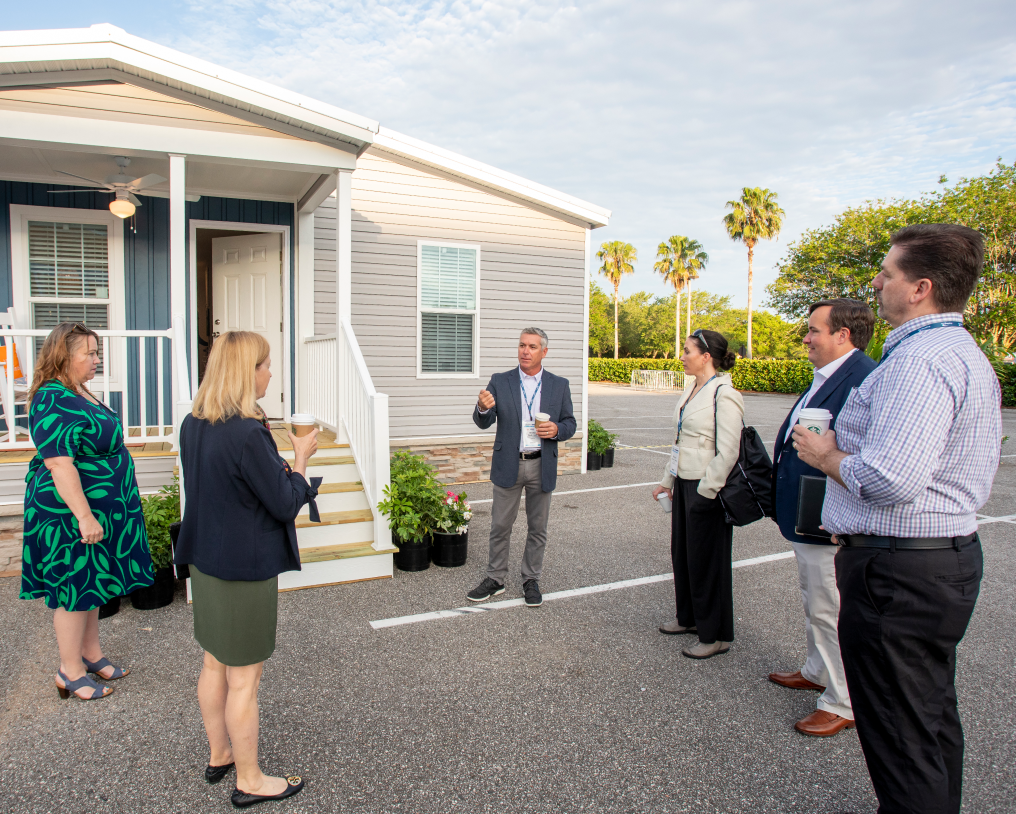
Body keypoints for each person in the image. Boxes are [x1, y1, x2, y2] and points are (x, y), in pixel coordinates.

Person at [793, 224, 1001, 814]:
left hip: (899, 571)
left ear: (921, 289)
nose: (878, 283)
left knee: (901, 736)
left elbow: (891, 479)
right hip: (937, 560)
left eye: (888, 273)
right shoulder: (962, 355)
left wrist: (825, 454)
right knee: (928, 718)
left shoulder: (919, 362)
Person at [175, 331, 319, 808]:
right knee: (245, 679)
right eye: (265, 365)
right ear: (245, 371)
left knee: (214, 661)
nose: (270, 373)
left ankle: (221, 753)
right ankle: (250, 778)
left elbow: (226, 488)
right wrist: (299, 460)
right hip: (244, 568)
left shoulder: (194, 423)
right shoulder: (246, 432)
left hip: (206, 562)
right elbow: (282, 505)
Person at [20, 322, 153, 701]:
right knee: (73, 587)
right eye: (89, 354)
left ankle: (91, 655)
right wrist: (84, 515)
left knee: (93, 582)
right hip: (69, 511)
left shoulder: (76, 390)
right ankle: (69, 670)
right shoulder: (51, 398)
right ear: (64, 356)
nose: (96, 359)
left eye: (97, 352)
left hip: (103, 504)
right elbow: (60, 464)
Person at [769, 298, 875, 737]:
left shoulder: (863, 379)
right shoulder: (828, 376)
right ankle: (816, 669)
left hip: (828, 514)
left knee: (829, 606)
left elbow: (862, 452)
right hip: (805, 511)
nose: (806, 337)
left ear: (843, 335)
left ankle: (842, 701)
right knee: (813, 598)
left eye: (814, 330)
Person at [467, 327, 576, 608]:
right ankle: (495, 578)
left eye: (532, 347)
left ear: (544, 352)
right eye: (521, 345)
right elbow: (484, 420)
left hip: (541, 463)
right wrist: (481, 406)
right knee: (500, 525)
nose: (525, 351)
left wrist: (557, 429)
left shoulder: (559, 384)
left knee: (537, 527)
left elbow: (570, 423)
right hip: (509, 463)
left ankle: (531, 580)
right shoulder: (500, 381)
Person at [652, 329, 743, 659]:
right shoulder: (692, 388)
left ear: (707, 356)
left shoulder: (724, 393)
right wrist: (668, 481)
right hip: (685, 483)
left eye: (688, 350)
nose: (682, 355)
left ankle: (715, 635)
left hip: (707, 488)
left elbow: (729, 450)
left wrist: (707, 490)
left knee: (708, 562)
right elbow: (679, 440)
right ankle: (688, 619)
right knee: (684, 555)